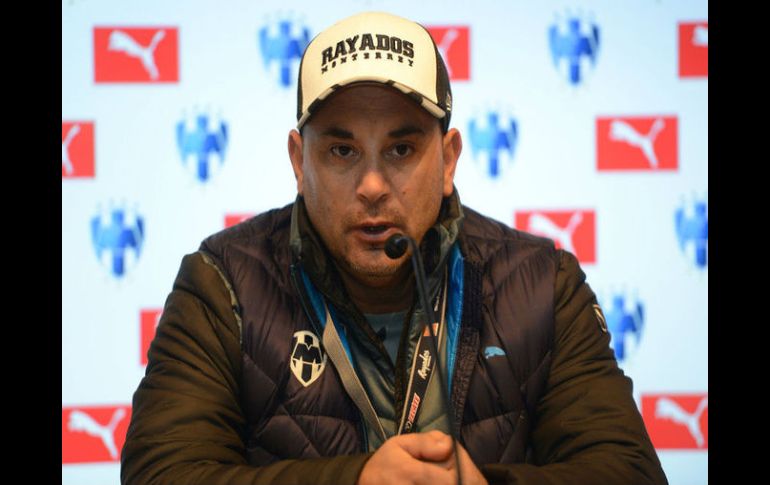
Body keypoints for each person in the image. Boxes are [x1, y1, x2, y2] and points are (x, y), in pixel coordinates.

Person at [121, 11, 668, 485]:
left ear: (448, 160)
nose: (373, 185)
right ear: (298, 162)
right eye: (342, 151)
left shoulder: (542, 283)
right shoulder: (223, 285)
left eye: (401, 149)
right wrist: (355, 480)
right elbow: (161, 473)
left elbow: (628, 472)